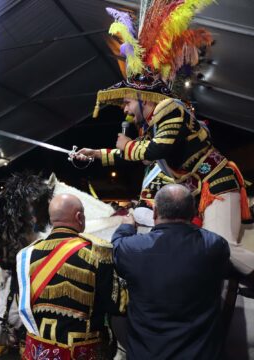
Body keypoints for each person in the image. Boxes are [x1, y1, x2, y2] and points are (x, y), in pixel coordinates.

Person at [73, 4, 252, 275]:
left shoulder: (170, 108)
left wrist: (128, 146)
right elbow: (144, 151)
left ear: (144, 98)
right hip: (199, 191)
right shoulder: (156, 122)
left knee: (221, 246)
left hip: (217, 185)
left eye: (127, 102)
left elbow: (159, 148)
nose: (125, 109)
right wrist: (96, 154)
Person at [112, 184, 230, 359]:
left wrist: (127, 227)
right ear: (194, 212)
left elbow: (116, 246)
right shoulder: (215, 246)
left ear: (154, 213)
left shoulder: (132, 248)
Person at [17, 194, 127, 359]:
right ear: (79, 217)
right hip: (81, 353)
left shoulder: (26, 254)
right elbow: (117, 305)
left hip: (38, 352)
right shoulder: (97, 253)